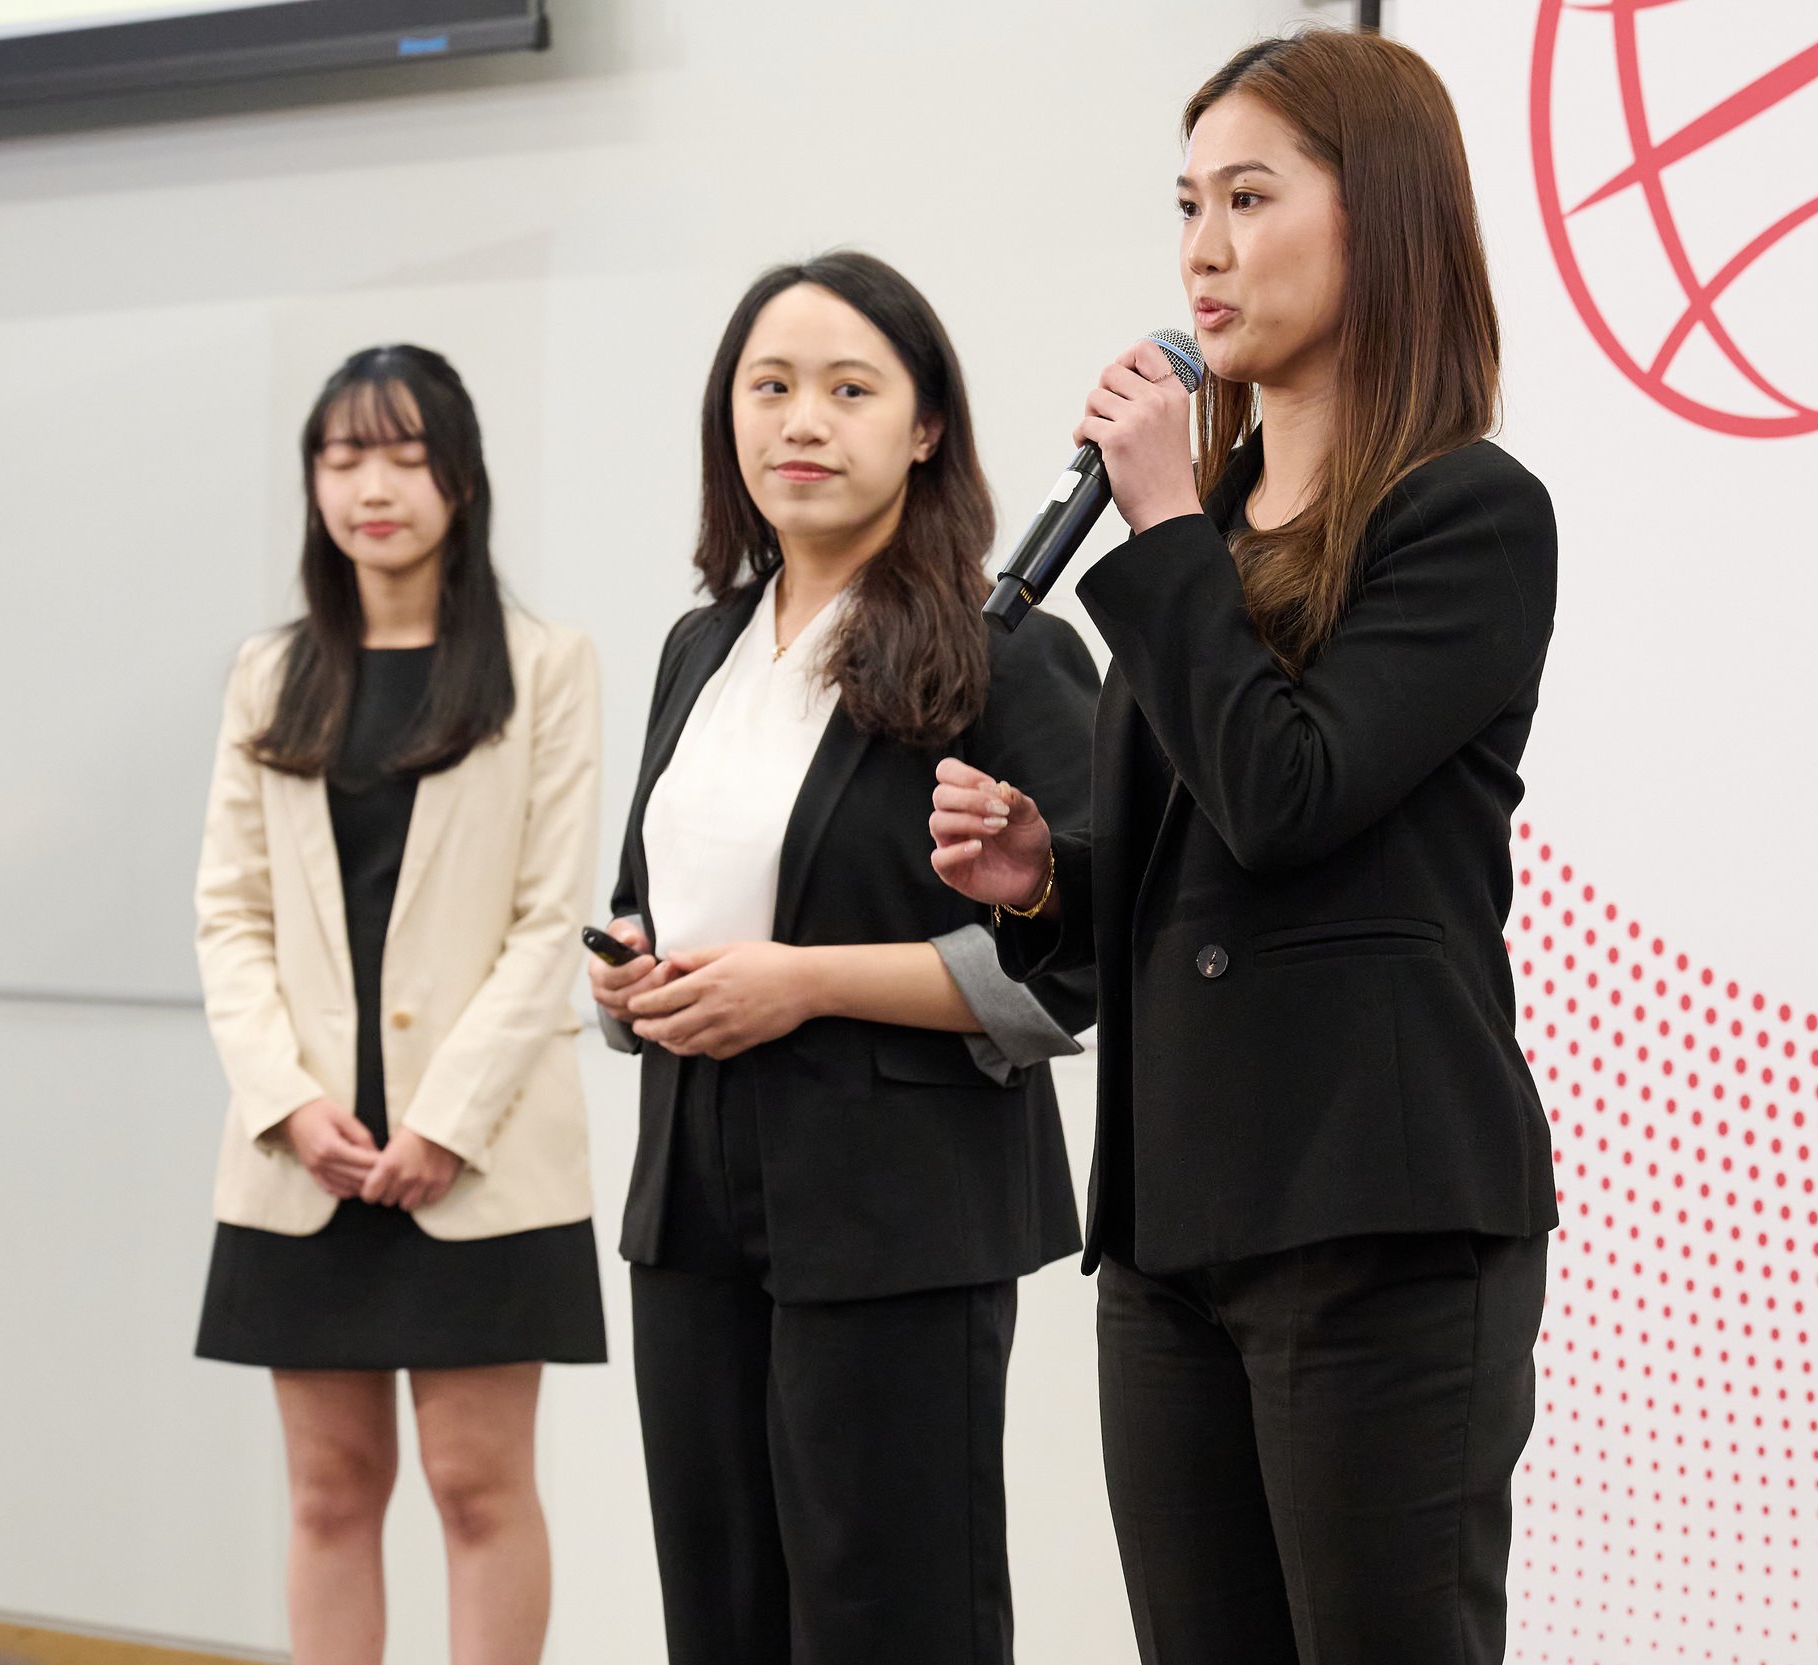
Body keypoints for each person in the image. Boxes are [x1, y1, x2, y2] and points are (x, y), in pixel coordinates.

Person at [930, 30, 1559, 1665]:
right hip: (1172, 1230)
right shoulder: (1203, 541)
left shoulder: (1467, 515)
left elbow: (1291, 793)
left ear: (1383, 214)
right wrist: (1049, 876)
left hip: (1377, 1217)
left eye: (1251, 198)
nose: (1203, 251)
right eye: (1188, 204)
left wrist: (1158, 527)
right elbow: (1199, 861)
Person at [587, 252, 1098, 1665]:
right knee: (721, 1615)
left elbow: (1073, 962)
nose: (801, 420)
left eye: (848, 389)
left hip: (897, 1208)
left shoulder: (1007, 653)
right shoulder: (701, 646)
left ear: (926, 426)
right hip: (693, 1194)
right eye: (769, 387)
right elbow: (647, 895)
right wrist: (626, 972)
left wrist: (804, 980)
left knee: (893, 1618)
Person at [193, 345, 606, 1665]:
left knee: (477, 1488)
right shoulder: (270, 673)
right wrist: (286, 1102)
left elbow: (547, 921)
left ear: (461, 477)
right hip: (304, 1154)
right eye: (343, 456)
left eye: (405, 454)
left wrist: (447, 1122)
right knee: (328, 1493)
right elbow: (231, 916)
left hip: (480, 1156)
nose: (372, 486)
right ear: (314, 480)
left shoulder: (545, 666)